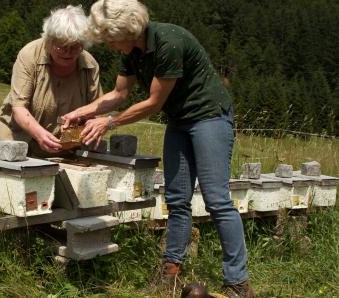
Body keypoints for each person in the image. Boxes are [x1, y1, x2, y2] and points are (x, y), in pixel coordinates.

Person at [61, 0, 254, 297]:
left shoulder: (169, 42)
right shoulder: (131, 51)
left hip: (209, 116)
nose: (110, 46)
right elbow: (119, 93)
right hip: (179, 121)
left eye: (111, 39)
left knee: (216, 199)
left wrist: (109, 123)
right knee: (177, 199)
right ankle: (171, 273)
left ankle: (238, 283)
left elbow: (154, 103)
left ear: (128, 29)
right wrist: (82, 113)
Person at [0, 5, 103, 158]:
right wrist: (39, 134)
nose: (68, 53)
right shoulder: (29, 55)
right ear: (49, 40)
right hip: (18, 137)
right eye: (61, 47)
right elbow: (18, 108)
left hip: (64, 145)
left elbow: (97, 110)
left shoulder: (90, 65)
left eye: (75, 48)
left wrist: (91, 128)